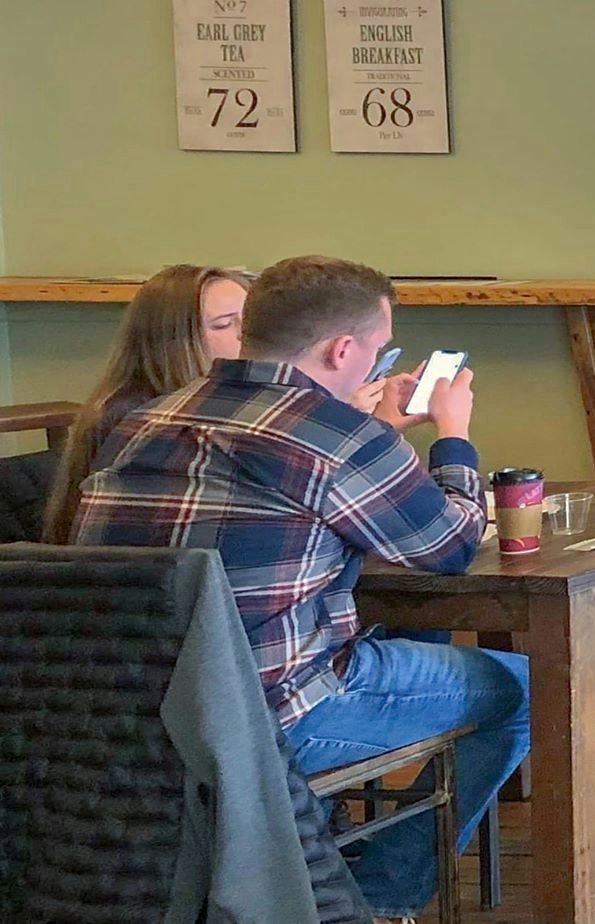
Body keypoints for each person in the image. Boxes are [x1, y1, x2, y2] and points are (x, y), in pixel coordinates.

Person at [70, 255, 528, 924]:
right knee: (526, 688)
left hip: (131, 716)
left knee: (403, 639)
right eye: (377, 345)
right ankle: (378, 896)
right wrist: (453, 434)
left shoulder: (145, 421)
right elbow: (449, 547)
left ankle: (324, 866)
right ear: (345, 349)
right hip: (274, 715)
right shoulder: (337, 435)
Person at [42, 264, 251, 546]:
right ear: (174, 341)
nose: (245, 333)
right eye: (224, 324)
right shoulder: (129, 416)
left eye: (250, 319)